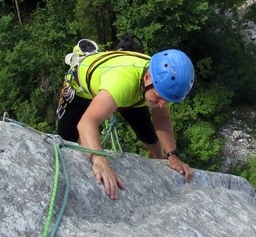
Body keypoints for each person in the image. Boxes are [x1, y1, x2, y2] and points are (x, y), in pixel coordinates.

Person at [57, 47, 195, 200]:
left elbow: (161, 119)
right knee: (68, 143)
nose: (162, 105)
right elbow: (86, 123)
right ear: (147, 77)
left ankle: (160, 158)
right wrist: (99, 160)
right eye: (159, 97)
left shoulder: (162, 84)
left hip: (133, 95)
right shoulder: (123, 83)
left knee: (149, 138)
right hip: (80, 90)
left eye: (168, 100)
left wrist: (172, 155)